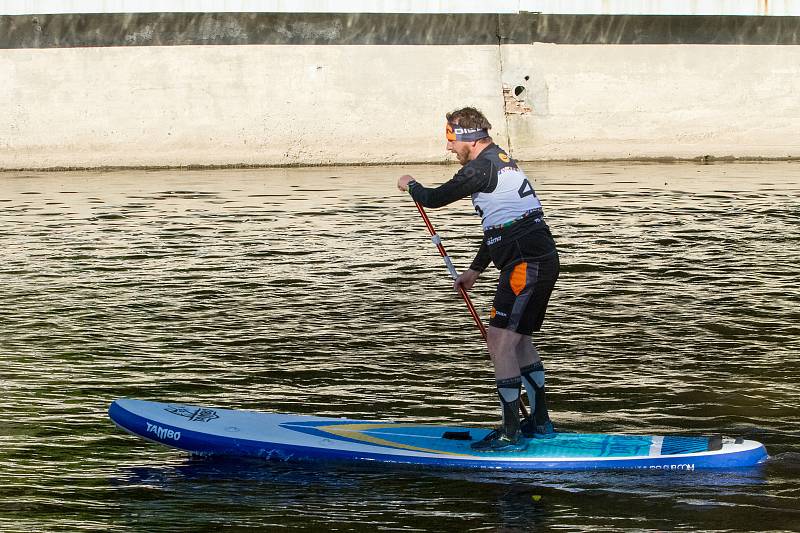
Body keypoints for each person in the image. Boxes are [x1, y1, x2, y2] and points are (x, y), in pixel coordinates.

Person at [396, 107, 559, 452]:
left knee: (499, 342)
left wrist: (410, 184)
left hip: (524, 264)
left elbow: (435, 198)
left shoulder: (480, 167)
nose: (449, 148)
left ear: (468, 139)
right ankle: (540, 423)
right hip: (534, 258)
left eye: (451, 140)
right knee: (519, 341)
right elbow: (502, 225)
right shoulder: (499, 159)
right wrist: (475, 270)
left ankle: (510, 431)